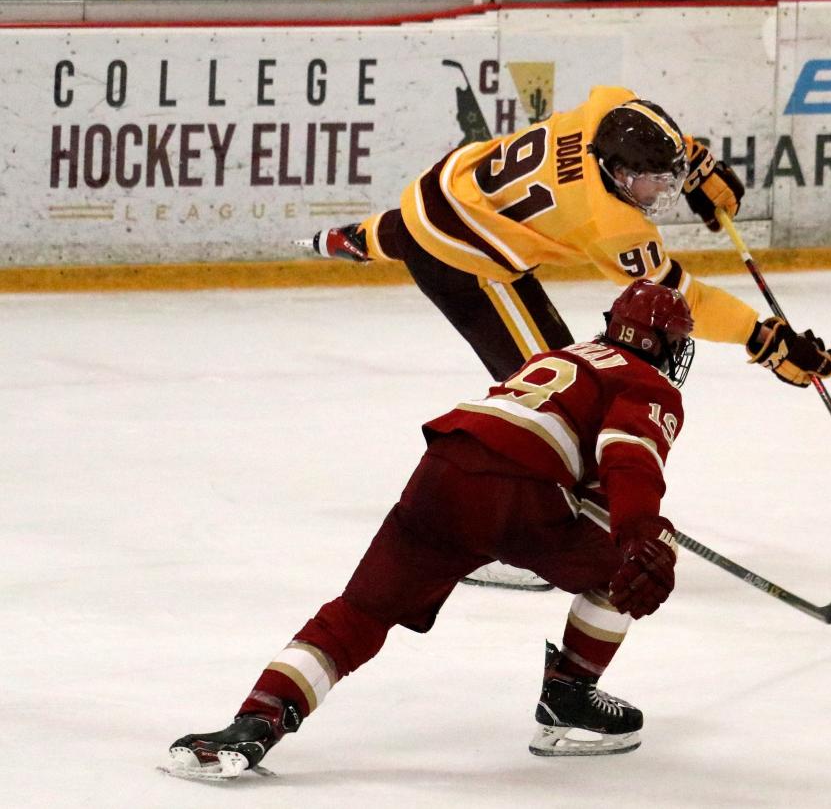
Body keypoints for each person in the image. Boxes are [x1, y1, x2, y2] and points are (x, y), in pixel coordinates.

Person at [305, 85, 831, 588]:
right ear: (613, 173)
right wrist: (761, 337)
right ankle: (507, 538)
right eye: (652, 182)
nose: (664, 193)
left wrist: (692, 162)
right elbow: (683, 300)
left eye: (668, 178)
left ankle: (361, 237)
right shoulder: (610, 224)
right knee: (562, 398)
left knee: (422, 227)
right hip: (463, 262)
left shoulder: (610, 106)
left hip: (443, 189)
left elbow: (647, 124)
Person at [165, 281, 695, 778]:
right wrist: (639, 530)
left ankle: (257, 718)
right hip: (518, 495)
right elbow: (628, 456)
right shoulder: (646, 382)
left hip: (441, 472)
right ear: (661, 341)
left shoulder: (560, 355)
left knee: (361, 612)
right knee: (641, 556)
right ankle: (571, 694)